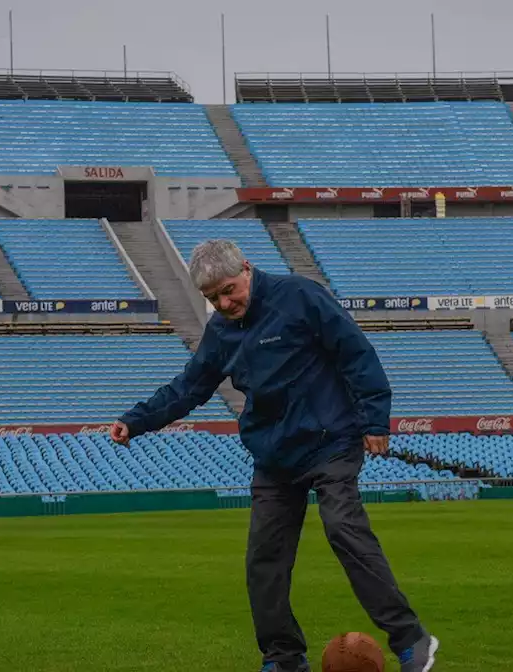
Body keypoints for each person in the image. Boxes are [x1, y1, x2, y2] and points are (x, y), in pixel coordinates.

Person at [109, 240, 439, 672]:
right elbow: (189, 387)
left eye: (229, 290)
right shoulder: (222, 332)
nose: (225, 303)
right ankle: (283, 657)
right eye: (213, 299)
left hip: (331, 440)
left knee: (344, 529)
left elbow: (355, 352)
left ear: (247, 269)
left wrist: (375, 419)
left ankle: (410, 639)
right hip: (274, 457)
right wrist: (137, 420)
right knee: (264, 559)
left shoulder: (300, 296)